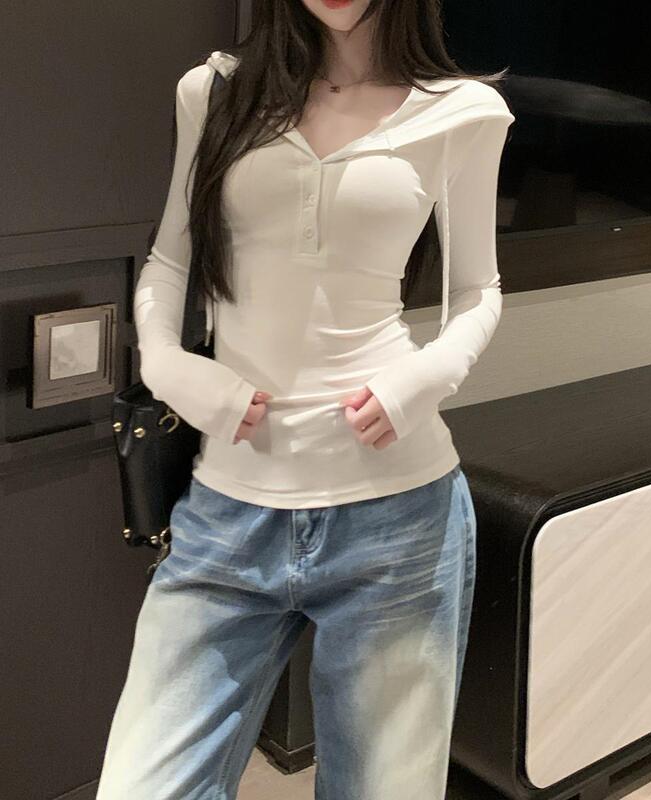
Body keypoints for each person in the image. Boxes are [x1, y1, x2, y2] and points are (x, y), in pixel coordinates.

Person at [96, 0, 514, 798]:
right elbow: (170, 260)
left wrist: (425, 380)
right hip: (229, 514)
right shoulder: (214, 92)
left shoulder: (463, 111)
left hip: (398, 517)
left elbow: (477, 290)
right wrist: (169, 366)